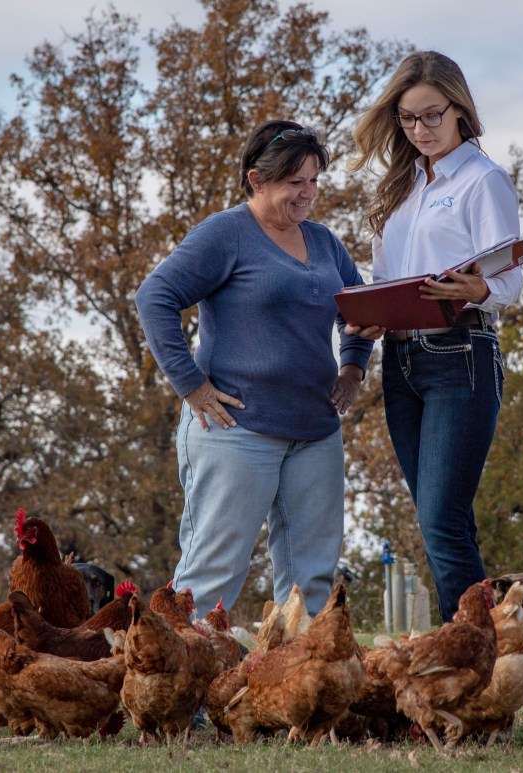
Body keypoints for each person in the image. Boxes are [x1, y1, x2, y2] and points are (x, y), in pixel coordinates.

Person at [135, 120, 374, 617]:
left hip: (315, 433)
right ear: (256, 180)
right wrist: (191, 385)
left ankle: (301, 691)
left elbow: (361, 310)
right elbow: (155, 296)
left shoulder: (325, 241)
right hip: (234, 429)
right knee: (212, 576)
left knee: (312, 581)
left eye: (313, 180)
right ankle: (178, 692)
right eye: (295, 182)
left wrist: (353, 370)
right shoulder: (226, 234)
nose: (308, 193)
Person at [346, 51, 523, 622]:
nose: (419, 130)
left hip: (460, 356)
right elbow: (389, 278)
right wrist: (372, 314)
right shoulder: (399, 189)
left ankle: (466, 659)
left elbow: (509, 281)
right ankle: (480, 652)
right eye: (406, 119)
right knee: (437, 519)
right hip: (400, 361)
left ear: (460, 111)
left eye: (431, 116)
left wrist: (474, 289)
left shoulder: (482, 179)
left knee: (442, 519)